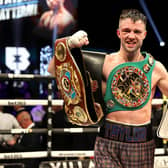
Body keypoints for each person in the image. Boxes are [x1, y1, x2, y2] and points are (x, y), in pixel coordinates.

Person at [47, 9, 168, 167]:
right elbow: (53, 69)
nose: (131, 36)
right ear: (118, 33)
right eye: (126, 31)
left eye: (136, 31)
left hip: (141, 143)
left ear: (144, 34)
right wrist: (69, 44)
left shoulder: (156, 68)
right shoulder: (103, 62)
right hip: (107, 141)